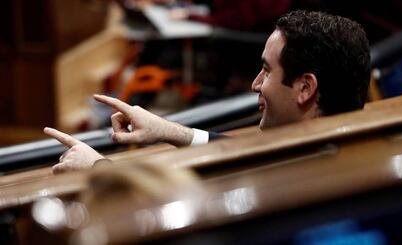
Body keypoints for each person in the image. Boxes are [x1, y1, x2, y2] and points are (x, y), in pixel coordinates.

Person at [44, 10, 371, 173]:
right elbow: (239, 154)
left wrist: (100, 170)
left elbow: (175, 210)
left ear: (305, 88)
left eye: (267, 70)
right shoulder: (339, 148)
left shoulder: (294, 176)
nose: (256, 83)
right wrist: (166, 130)